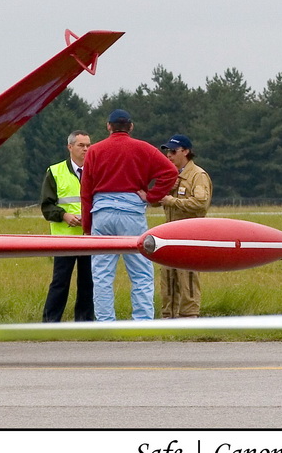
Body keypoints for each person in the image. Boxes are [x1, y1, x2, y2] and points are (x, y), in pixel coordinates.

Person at [80, 109, 178, 321]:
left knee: (102, 274)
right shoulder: (143, 148)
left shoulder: (95, 151)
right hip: (131, 213)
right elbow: (170, 172)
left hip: (102, 213)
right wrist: (152, 196)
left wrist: (87, 226)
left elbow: (86, 190)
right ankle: (142, 322)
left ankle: (105, 322)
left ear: (108, 126)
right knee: (141, 271)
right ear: (131, 126)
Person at [39, 130, 95, 322]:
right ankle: (50, 323)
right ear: (70, 147)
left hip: (90, 237)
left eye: (88, 145)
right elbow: (46, 206)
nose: (85, 149)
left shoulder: (96, 170)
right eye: (81, 145)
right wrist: (64, 216)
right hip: (65, 237)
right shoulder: (55, 172)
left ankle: (85, 322)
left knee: (88, 282)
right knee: (60, 282)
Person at [155, 134, 213, 318]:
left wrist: (172, 201)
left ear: (186, 152)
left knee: (186, 277)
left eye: (173, 151)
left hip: (189, 235)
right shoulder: (170, 174)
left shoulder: (197, 176)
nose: (169, 156)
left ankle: (189, 318)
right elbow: (159, 197)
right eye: (167, 152)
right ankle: (168, 317)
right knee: (168, 278)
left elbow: (200, 203)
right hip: (168, 235)